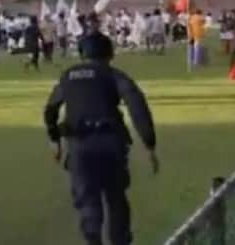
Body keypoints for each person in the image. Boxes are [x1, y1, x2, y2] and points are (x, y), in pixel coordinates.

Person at [43, 32, 159, 245]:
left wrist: (54, 139)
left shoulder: (68, 77)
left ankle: (93, 240)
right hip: (111, 144)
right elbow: (137, 105)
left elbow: (50, 109)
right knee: (116, 198)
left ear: (82, 54)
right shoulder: (114, 75)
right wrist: (149, 144)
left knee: (88, 201)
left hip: (79, 145)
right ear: (109, 54)